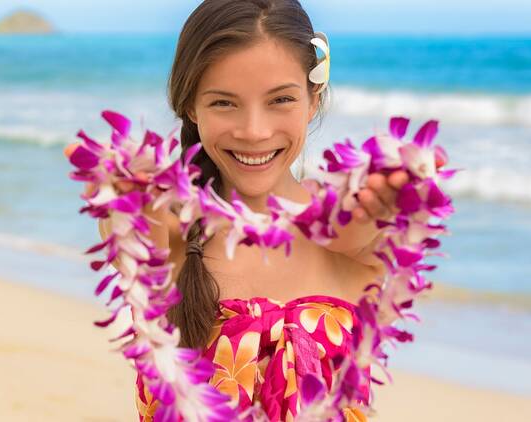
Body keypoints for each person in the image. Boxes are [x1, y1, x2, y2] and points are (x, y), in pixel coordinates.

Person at [73, 0, 410, 420]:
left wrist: (365, 237)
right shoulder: (166, 229)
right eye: (224, 103)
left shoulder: (354, 224)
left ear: (313, 97)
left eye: (280, 100)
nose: (254, 131)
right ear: (191, 107)